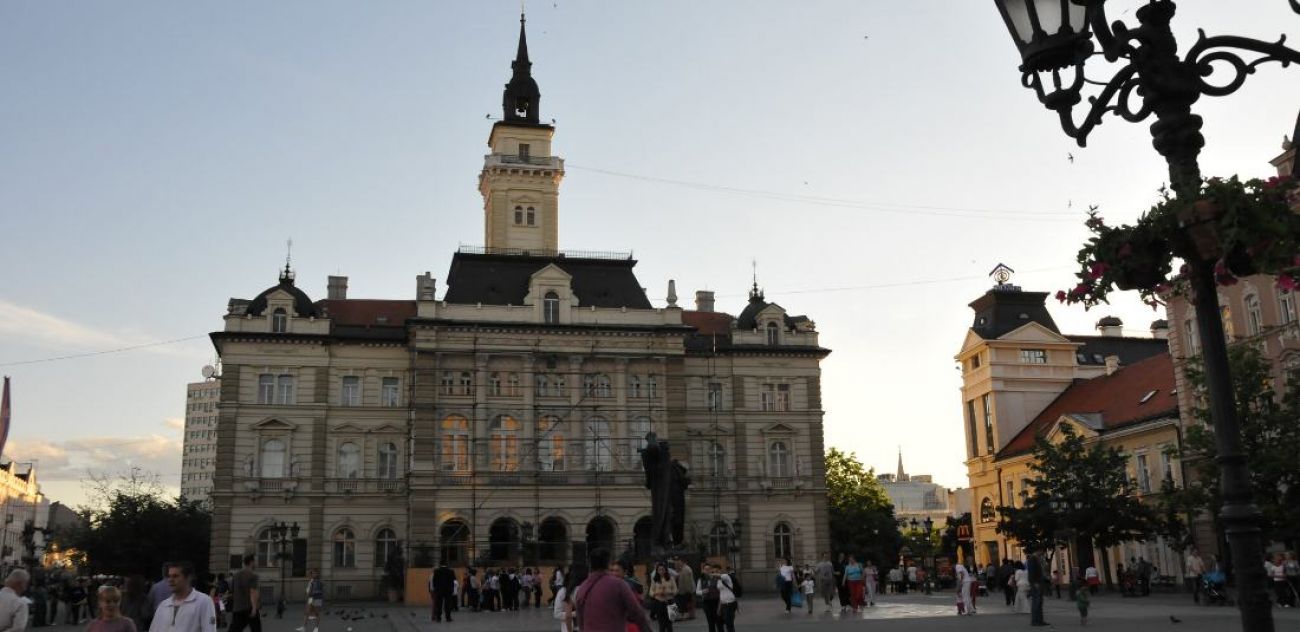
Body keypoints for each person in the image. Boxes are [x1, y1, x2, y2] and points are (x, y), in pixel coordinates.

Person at [573, 548, 652, 632]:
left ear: (590, 564)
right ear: (608, 564)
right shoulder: (618, 584)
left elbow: (580, 619)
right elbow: (636, 612)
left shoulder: (582, 588)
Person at [148, 562, 216, 632]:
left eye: (175, 576)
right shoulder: (163, 605)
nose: (170, 580)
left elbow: (210, 629)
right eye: (169, 576)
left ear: (188, 578)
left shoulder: (204, 601)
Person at [227, 555, 261, 632]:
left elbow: (232, 591)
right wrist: (254, 608)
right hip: (249, 607)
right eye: (255, 562)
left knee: (234, 629)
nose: (256, 564)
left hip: (237, 607)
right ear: (251, 562)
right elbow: (253, 592)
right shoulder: (253, 575)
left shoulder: (236, 575)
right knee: (256, 629)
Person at [649, 562, 676, 632]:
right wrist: (656, 593)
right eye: (659, 570)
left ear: (665, 570)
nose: (661, 571)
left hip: (670, 601)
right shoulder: (655, 579)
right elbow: (651, 591)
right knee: (662, 625)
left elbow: (675, 590)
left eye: (663, 569)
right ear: (657, 571)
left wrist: (669, 592)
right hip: (659, 602)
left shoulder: (671, 578)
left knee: (669, 625)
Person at [695, 562, 720, 632]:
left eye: (709, 569)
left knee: (718, 621)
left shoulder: (716, 578)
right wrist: (703, 591)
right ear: (703, 570)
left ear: (711, 570)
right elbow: (697, 591)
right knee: (710, 621)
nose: (707, 571)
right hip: (707, 602)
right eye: (706, 569)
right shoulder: (701, 579)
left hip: (716, 601)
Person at [1026, 550, 1048, 627]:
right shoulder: (1032, 559)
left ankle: (1040, 620)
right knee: (1036, 602)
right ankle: (1035, 621)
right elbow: (1031, 572)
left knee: (1039, 602)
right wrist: (1034, 582)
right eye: (1042, 554)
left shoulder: (1036, 559)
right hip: (1036, 583)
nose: (1042, 556)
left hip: (1039, 583)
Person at [716, 566, 738, 632]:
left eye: (717, 571)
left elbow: (718, 575)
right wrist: (719, 607)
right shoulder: (718, 580)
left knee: (729, 623)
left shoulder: (726, 576)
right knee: (720, 621)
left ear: (721, 570)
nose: (715, 573)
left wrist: (709, 574)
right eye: (714, 571)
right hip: (723, 603)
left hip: (730, 603)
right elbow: (721, 593)